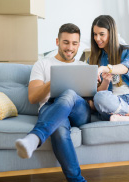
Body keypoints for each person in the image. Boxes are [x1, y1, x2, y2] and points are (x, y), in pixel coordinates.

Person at [15, 23, 89, 182]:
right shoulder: (42, 64)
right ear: (57, 42)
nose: (70, 47)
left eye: (74, 43)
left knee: (69, 93)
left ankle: (34, 138)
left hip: (78, 110)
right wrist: (53, 82)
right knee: (59, 130)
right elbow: (33, 97)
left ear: (78, 45)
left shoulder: (84, 67)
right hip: (51, 108)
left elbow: (91, 102)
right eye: (66, 42)